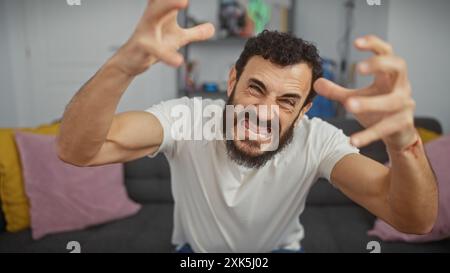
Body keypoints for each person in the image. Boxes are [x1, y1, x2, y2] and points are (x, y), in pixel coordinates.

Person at [57, 0, 437, 253]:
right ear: (232, 81)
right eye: (256, 88)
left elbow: (413, 219)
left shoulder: (317, 140)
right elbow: (78, 150)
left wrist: (404, 144)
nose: (264, 113)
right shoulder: (189, 119)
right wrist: (123, 64)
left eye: (287, 101)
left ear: (305, 109)